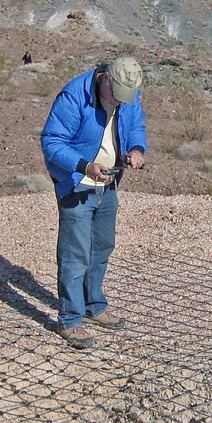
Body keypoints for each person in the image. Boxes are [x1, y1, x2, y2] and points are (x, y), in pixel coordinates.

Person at [40, 56, 147, 349]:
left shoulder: (127, 95)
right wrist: (84, 166)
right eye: (117, 96)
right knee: (75, 253)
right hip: (77, 183)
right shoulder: (75, 95)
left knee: (101, 247)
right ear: (105, 79)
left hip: (108, 182)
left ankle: (93, 305)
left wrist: (136, 149)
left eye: (128, 98)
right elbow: (52, 142)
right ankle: (71, 320)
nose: (122, 103)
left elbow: (136, 125)